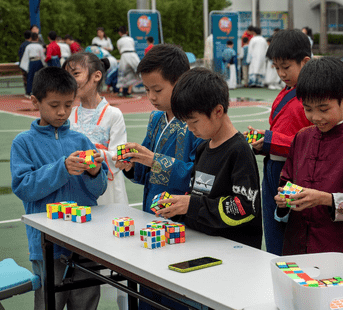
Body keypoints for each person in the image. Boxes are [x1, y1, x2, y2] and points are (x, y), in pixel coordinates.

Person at [113, 45, 204, 310]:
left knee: (177, 291)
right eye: (147, 90)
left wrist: (155, 160)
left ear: (180, 82)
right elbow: (145, 173)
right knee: (149, 287)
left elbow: (199, 175)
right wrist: (131, 165)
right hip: (151, 216)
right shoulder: (155, 119)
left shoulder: (195, 122)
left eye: (158, 90)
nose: (151, 97)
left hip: (183, 223)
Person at [11, 66, 107, 310]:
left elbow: (97, 191)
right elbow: (24, 187)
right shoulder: (24, 142)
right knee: (48, 303)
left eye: (68, 104)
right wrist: (61, 169)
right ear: (35, 101)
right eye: (54, 105)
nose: (63, 112)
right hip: (47, 244)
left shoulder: (80, 140)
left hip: (85, 240)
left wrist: (95, 172)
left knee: (86, 302)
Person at [274, 57, 343, 258]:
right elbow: (286, 180)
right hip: (295, 247)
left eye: (323, 109)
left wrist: (326, 199)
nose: (315, 117)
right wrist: (283, 199)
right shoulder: (302, 137)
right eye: (308, 109)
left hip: (337, 250)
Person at [158, 68, 262, 249]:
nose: (190, 129)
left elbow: (245, 207)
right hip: (204, 245)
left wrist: (191, 205)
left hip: (235, 252)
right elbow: (198, 196)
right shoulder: (202, 148)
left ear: (218, 111)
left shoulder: (239, 151)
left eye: (194, 122)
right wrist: (177, 210)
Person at [64, 53, 129, 310]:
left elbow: (120, 154)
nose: (71, 79)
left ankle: (125, 302)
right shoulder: (69, 113)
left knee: (116, 252)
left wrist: (97, 154)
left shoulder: (113, 114)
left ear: (96, 76)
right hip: (77, 190)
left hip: (108, 190)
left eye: (76, 73)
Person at [247, 29, 313, 255]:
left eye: (286, 67)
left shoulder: (311, 96)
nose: (281, 73)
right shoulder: (287, 91)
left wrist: (269, 140)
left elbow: (310, 141)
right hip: (273, 166)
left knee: (289, 235)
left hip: (295, 171)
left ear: (305, 62)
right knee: (273, 231)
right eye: (277, 68)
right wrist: (262, 141)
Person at [116, 26, 142, 97]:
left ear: (119, 33)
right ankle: (129, 91)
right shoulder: (131, 39)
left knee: (122, 72)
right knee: (136, 71)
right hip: (133, 55)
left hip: (124, 55)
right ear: (126, 32)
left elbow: (120, 51)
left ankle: (121, 91)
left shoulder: (119, 41)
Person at [20, 32, 45, 97]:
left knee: (30, 77)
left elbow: (25, 56)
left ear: (31, 38)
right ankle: (39, 91)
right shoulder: (40, 46)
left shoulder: (28, 46)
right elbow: (42, 56)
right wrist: (45, 64)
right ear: (37, 38)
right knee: (39, 77)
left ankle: (29, 92)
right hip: (39, 61)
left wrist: (25, 66)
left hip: (31, 62)